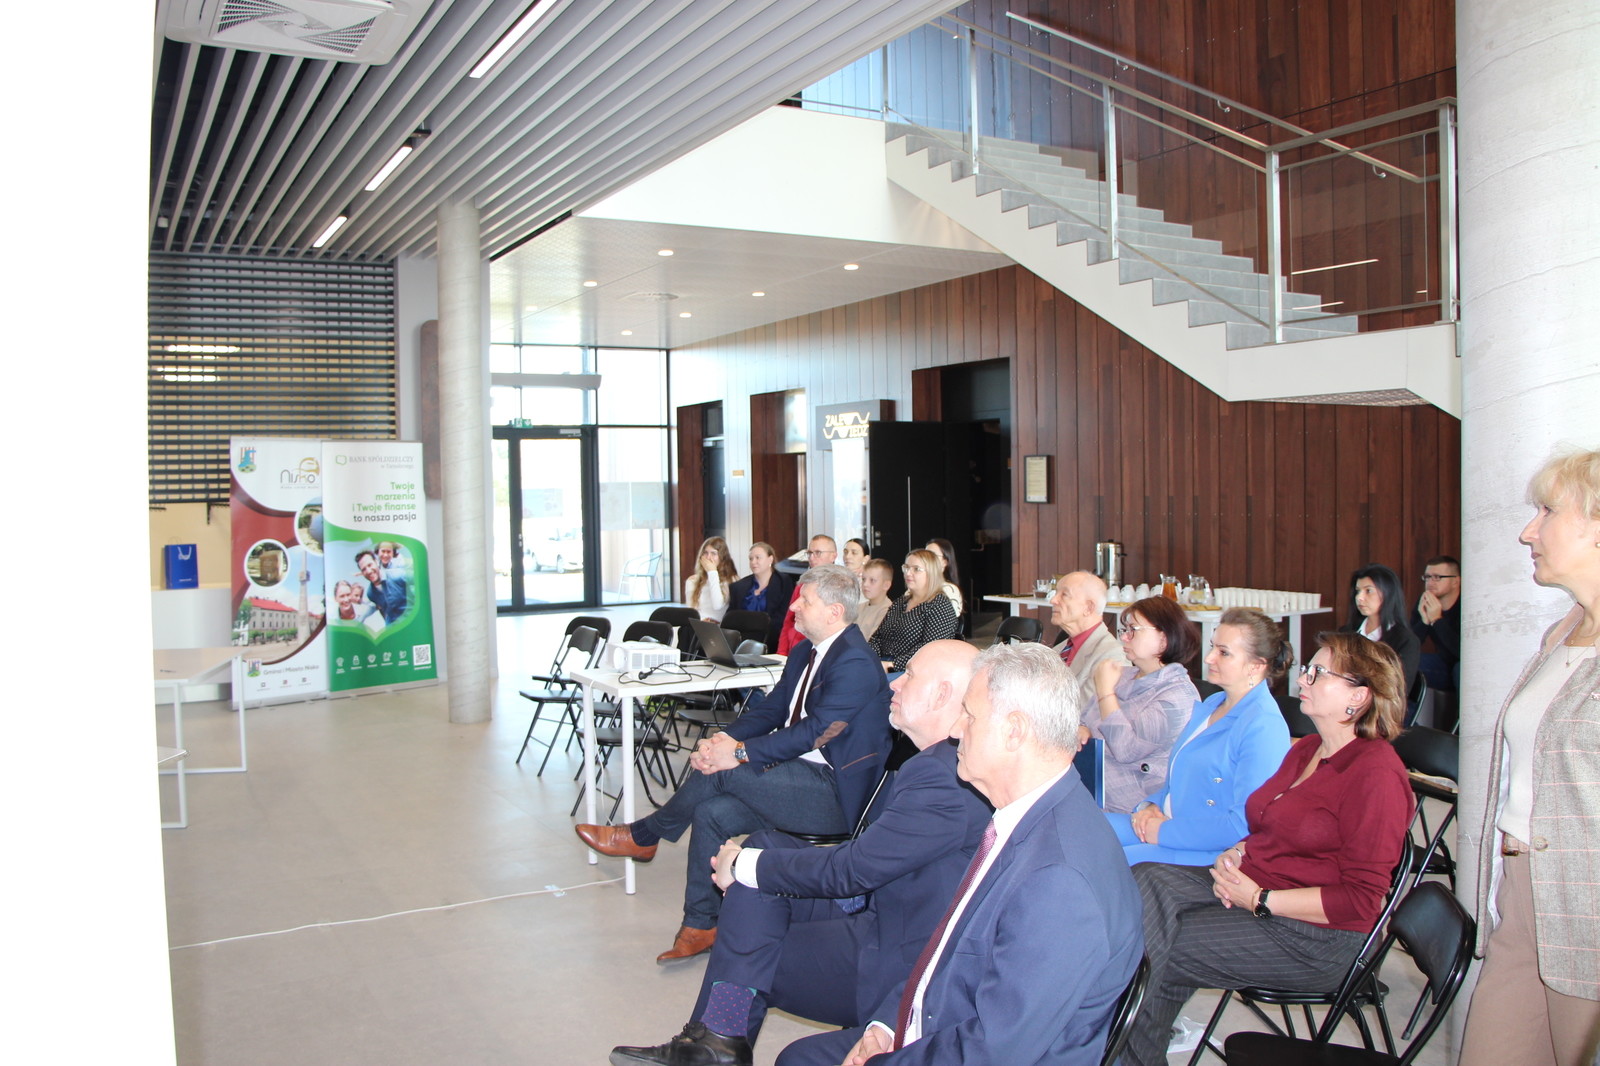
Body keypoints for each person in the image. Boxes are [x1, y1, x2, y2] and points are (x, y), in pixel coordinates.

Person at [607, 641, 991, 1066]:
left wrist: (744, 866)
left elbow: (855, 869)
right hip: (881, 907)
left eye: (910, 675)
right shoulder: (936, 762)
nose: (894, 684)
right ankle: (716, 1041)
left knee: (747, 943)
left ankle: (718, 1037)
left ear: (941, 694)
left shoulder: (943, 777)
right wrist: (752, 863)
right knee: (763, 849)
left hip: (895, 957)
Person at [776, 643, 1143, 1066]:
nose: (954, 730)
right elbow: (949, 945)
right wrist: (888, 1025)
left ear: (1014, 731)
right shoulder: (1029, 814)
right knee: (798, 1057)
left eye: (969, 715)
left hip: (976, 1049)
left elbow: (995, 1050)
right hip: (946, 1020)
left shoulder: (1059, 881)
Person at [1121, 632, 1413, 1066]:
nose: (1303, 679)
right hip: (1257, 884)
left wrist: (1260, 899)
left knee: (1153, 948)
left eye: (1319, 673)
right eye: (1308, 669)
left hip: (1317, 938)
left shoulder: (1376, 776)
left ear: (1359, 696)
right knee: (1145, 881)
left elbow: (1362, 900)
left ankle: (1120, 1050)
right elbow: (1268, 821)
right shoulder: (1310, 748)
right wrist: (1239, 850)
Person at [576, 565, 891, 963]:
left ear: (834, 612)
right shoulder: (804, 652)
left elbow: (815, 732)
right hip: (795, 778)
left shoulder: (855, 661)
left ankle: (646, 834)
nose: (794, 606)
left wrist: (738, 753)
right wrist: (723, 741)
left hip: (833, 795)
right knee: (710, 812)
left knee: (726, 773)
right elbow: (771, 710)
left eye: (805, 601)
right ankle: (701, 925)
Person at [1460, 447, 1600, 1066]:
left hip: (1587, 906)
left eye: (1547, 511)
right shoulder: (1564, 631)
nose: (1527, 532)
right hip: (1523, 891)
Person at [1107, 607, 1292, 866]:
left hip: (1206, 851)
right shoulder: (1214, 703)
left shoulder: (1264, 726)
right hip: (1168, 823)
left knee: (1102, 865)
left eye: (1223, 653)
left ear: (1256, 666)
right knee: (1075, 830)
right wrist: (1150, 806)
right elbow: (1179, 778)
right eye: (1213, 647)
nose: (1209, 658)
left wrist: (1163, 832)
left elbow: (1243, 824)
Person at [1081, 596, 1201, 814]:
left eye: (1133, 630)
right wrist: (1081, 729)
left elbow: (1126, 749)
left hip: (1133, 807)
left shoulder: (1178, 697)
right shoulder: (1124, 675)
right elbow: (1085, 717)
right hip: (1089, 787)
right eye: (1124, 630)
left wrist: (1106, 693)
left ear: (1164, 639)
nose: (1124, 637)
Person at [868, 550, 960, 671]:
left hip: (913, 670)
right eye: (906, 568)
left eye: (916, 569)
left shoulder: (940, 606)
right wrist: (869, 658)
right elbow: (877, 638)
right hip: (884, 663)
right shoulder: (900, 602)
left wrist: (892, 665)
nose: (908, 573)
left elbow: (930, 651)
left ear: (931, 573)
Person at [1050, 570, 1129, 706]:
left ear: (1089, 607)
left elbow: (1091, 712)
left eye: (1064, 595)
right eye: (1056, 592)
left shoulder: (1112, 656)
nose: (1053, 600)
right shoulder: (1058, 650)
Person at [1342, 563, 1421, 697]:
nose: (1359, 597)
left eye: (1368, 591)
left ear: (1388, 593)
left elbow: (1399, 691)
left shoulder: (1406, 641)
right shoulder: (1345, 633)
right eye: (1358, 591)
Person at [778, 535, 837, 654]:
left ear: (833, 556)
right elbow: (788, 622)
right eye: (809, 553)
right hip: (793, 650)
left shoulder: (839, 587)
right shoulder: (802, 584)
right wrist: (781, 653)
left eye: (818, 553)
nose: (812, 558)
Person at [1410, 554, 1461, 693]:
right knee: (1404, 663)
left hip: (1464, 666)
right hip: (1441, 665)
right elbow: (1409, 647)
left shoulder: (1466, 605)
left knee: (1461, 669)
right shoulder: (1425, 602)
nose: (1430, 582)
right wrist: (1424, 622)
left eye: (1437, 577)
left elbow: (1461, 652)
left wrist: (1437, 620)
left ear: (1456, 582)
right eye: (1427, 577)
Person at [728, 543, 793, 651]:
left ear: (770, 559)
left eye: (758, 558)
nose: (753, 562)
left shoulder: (784, 582)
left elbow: (783, 617)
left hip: (772, 640)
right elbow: (731, 617)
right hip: (742, 641)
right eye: (751, 559)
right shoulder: (738, 587)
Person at [686, 536, 738, 623]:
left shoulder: (731, 580)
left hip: (719, 626)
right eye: (705, 553)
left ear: (722, 557)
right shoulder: (692, 580)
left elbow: (717, 605)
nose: (708, 557)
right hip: (698, 624)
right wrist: (701, 620)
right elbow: (691, 611)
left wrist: (712, 573)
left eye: (713, 553)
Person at [356, 549, 408, 623]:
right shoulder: (370, 594)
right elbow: (384, 610)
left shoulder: (397, 575)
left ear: (377, 562)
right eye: (364, 569)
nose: (368, 571)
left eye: (370, 565)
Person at [855, 558, 895, 641]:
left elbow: (872, 642)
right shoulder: (859, 607)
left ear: (886, 585)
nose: (865, 584)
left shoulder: (888, 612)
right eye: (863, 579)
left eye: (872, 580)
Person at [923, 537, 963, 616]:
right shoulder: (917, 586)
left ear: (945, 562)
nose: (926, 559)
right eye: (925, 555)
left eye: (932, 555)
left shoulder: (949, 590)